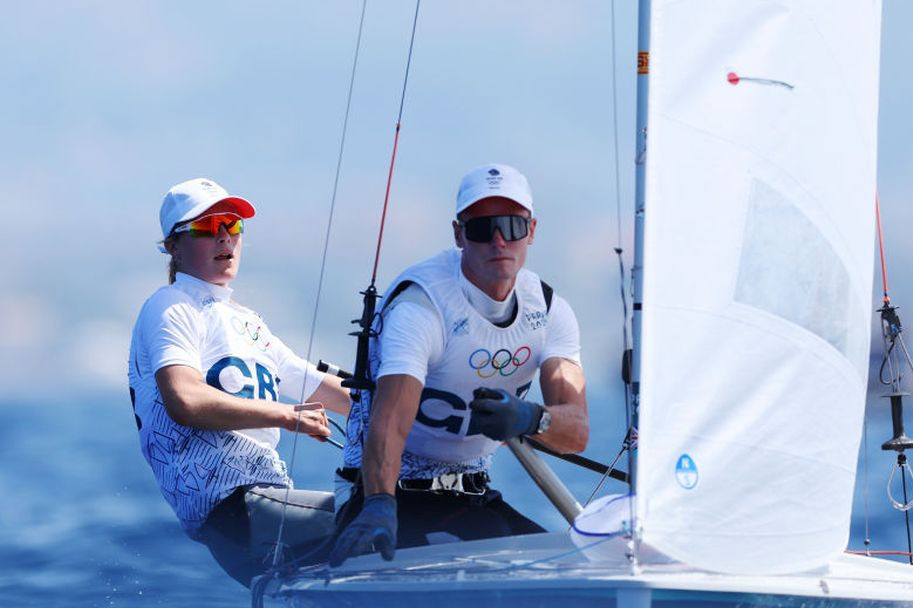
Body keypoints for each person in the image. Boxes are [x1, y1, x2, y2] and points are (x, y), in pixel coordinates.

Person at [329, 163, 589, 565]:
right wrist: (380, 502)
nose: (499, 240)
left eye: (512, 226)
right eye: (483, 228)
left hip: (472, 497)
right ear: (459, 234)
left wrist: (529, 418)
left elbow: (576, 431)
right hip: (386, 497)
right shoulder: (422, 307)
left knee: (571, 566)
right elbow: (390, 422)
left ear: (531, 231)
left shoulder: (550, 310)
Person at [128, 177, 351, 586]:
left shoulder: (246, 322)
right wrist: (286, 416)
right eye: (208, 228)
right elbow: (185, 400)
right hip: (232, 510)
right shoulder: (171, 307)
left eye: (232, 226)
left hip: (270, 500)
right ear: (174, 246)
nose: (224, 238)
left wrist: (420, 408)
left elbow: (320, 386)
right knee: (374, 519)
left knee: (392, 515)